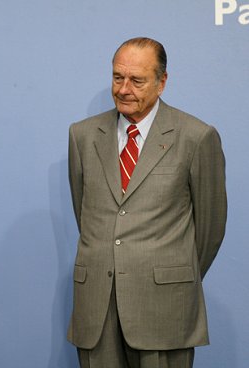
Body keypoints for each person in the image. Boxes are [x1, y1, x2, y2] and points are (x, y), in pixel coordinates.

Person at [67, 37, 227, 368]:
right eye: (117, 77)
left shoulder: (196, 136)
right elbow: (85, 211)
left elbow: (210, 229)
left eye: (137, 80)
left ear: (161, 82)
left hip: (164, 309)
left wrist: (168, 274)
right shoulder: (82, 136)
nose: (124, 89)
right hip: (97, 309)